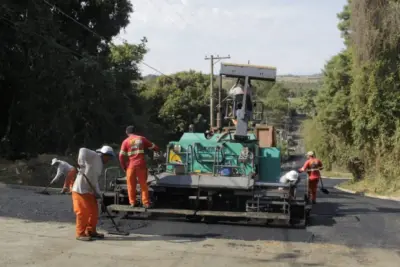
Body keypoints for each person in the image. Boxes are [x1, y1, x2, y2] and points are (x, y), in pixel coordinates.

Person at [72, 145, 115, 241]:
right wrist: (81, 164)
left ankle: (91, 231)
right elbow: (82, 150)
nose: (109, 160)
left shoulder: (100, 165)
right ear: (104, 154)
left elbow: (94, 181)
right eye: (109, 157)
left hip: (90, 191)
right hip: (80, 190)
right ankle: (80, 233)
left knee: (94, 212)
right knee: (83, 212)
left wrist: (98, 194)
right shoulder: (95, 156)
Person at [119, 125, 160, 209]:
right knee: (143, 185)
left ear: (127, 132)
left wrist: (124, 167)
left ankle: (132, 202)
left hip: (131, 166)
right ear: (135, 132)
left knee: (130, 185)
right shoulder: (141, 139)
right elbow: (153, 147)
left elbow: (121, 156)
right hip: (141, 165)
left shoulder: (125, 141)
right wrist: (157, 149)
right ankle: (145, 203)